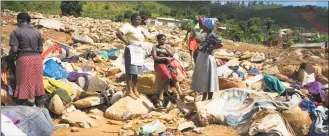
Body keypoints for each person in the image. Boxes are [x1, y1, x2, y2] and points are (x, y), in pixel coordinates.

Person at [8, 12, 45, 107]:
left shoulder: (16, 32)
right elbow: (41, 50)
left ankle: (23, 110)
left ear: (19, 20)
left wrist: (9, 59)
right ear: (29, 21)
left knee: (23, 86)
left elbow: (14, 50)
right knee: (38, 84)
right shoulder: (37, 33)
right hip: (37, 60)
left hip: (24, 60)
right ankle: (42, 109)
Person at [116, 13, 147, 100]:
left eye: (140, 19)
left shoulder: (139, 28)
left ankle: (135, 89)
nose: (139, 21)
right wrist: (126, 41)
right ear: (132, 20)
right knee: (129, 71)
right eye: (137, 19)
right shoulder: (128, 26)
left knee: (136, 71)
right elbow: (118, 33)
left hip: (139, 52)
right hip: (131, 51)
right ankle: (129, 91)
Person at [191, 18, 223, 101]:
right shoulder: (205, 34)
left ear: (208, 27)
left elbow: (221, 44)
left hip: (207, 57)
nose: (203, 27)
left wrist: (211, 48)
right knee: (205, 78)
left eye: (204, 26)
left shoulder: (212, 34)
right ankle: (204, 98)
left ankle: (209, 98)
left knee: (209, 78)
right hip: (202, 56)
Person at [152, 34, 185, 108]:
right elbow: (155, 57)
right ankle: (161, 95)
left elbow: (171, 55)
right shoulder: (155, 47)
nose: (163, 41)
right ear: (158, 40)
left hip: (167, 64)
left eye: (164, 39)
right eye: (162, 39)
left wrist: (166, 49)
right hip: (159, 64)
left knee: (173, 75)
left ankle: (180, 94)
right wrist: (164, 58)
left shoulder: (166, 46)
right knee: (167, 75)